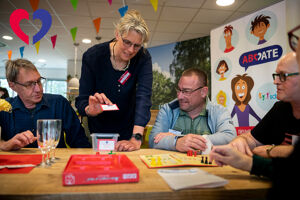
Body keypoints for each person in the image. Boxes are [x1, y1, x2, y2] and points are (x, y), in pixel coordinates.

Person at [210, 26, 300, 199]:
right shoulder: (280, 108)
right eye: (276, 75)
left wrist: (272, 151)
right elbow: (251, 138)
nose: (275, 82)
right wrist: (239, 142)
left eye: (283, 76)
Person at [75, 9, 152, 152]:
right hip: (97, 131)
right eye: (127, 42)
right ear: (117, 34)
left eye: (137, 45)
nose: (130, 50)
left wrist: (136, 138)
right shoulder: (93, 57)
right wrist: (90, 109)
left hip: (127, 131)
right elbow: (82, 101)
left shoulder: (143, 57)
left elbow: (144, 97)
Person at [0, 59, 91, 151]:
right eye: (29, 84)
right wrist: (6, 145)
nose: (38, 89)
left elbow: (80, 142)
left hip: (55, 163)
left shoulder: (59, 103)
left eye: (39, 81)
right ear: (12, 86)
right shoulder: (3, 108)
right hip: (16, 164)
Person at [149, 68, 236, 152]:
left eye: (186, 91)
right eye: (179, 90)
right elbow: (153, 140)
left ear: (203, 92)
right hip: (174, 166)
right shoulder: (167, 110)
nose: (180, 96)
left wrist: (178, 138)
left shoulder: (219, 111)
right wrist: (177, 142)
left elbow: (230, 137)